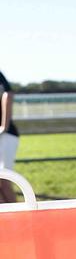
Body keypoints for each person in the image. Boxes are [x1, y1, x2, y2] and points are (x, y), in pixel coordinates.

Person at [0, 70, 19, 203]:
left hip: (5, 135)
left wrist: (3, 126)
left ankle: (19, 221)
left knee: (4, 179)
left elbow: (8, 94)